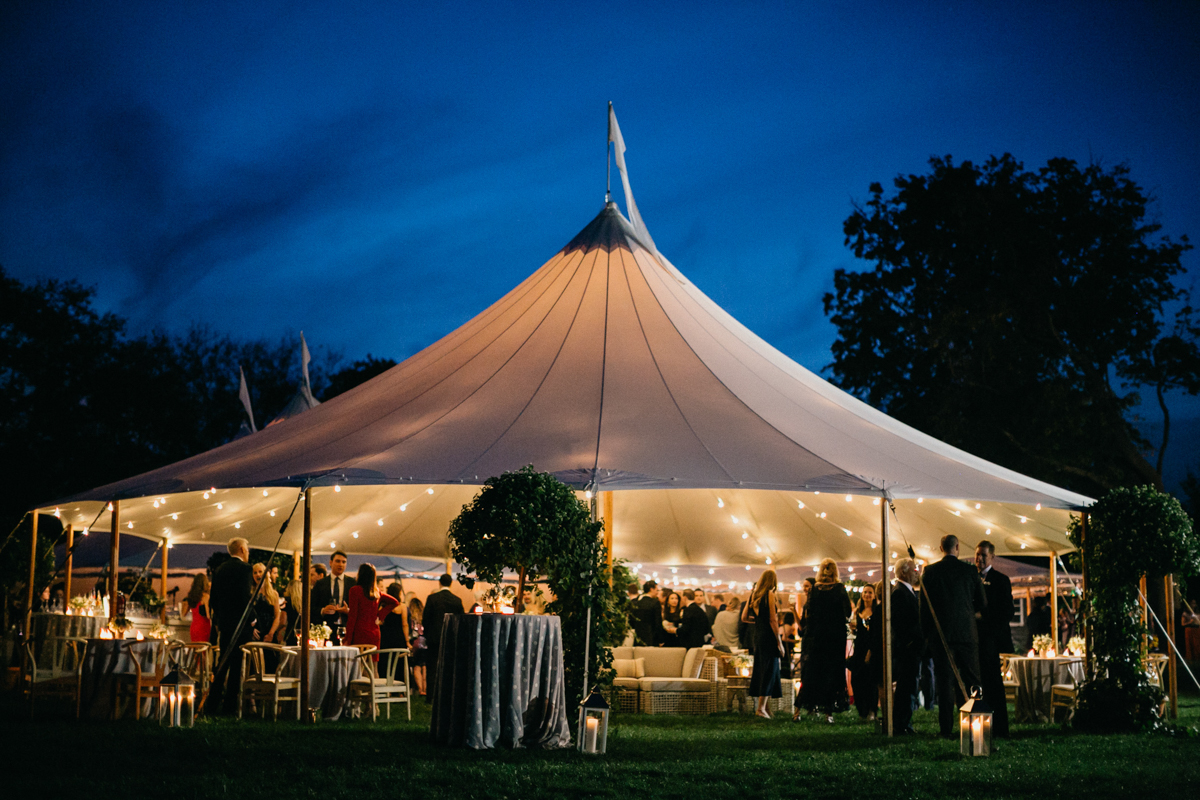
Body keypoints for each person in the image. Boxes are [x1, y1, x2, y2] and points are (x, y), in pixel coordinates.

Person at [921, 534, 986, 737]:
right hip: (967, 633)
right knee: (973, 680)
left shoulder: (930, 572)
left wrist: (928, 635)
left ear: (941, 548)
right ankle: (976, 727)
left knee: (944, 682)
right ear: (957, 547)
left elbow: (923, 609)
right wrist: (968, 612)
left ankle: (946, 729)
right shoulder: (969, 571)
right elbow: (982, 603)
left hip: (942, 636)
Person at [796, 558, 852, 722]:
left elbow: (810, 614)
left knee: (812, 673)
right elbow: (847, 612)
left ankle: (798, 712)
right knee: (832, 674)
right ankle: (828, 714)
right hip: (834, 637)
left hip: (817, 636)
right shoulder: (839, 589)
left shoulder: (815, 589)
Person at [207, 537, 254, 715]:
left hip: (225, 624)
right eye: (247, 549)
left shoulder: (219, 569)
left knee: (222, 663)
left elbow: (213, 600)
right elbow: (244, 598)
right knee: (236, 667)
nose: (248, 553)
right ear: (242, 549)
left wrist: (220, 620)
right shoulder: (245, 569)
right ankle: (229, 708)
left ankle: (212, 704)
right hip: (240, 625)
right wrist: (252, 619)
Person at [975, 540, 1014, 737]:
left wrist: (984, 616)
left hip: (992, 640)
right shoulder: (971, 577)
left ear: (991, 557)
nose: (979, 559)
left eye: (983, 555)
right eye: (977, 555)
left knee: (993, 684)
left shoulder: (1001, 580)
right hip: (975, 640)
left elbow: (1007, 611)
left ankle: (999, 727)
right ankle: (978, 725)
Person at [742, 569, 784, 718]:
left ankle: (766, 708)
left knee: (762, 669)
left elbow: (744, 617)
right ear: (773, 581)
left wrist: (759, 621)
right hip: (768, 637)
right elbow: (773, 619)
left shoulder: (754, 595)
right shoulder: (770, 594)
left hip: (757, 636)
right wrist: (779, 642)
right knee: (769, 671)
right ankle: (760, 709)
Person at [891, 559, 925, 735]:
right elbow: (900, 622)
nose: (917, 572)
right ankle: (902, 724)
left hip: (912, 648)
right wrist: (912, 640)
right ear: (904, 572)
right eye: (914, 569)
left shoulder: (908, 591)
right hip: (907, 649)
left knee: (910, 686)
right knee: (906, 687)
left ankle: (904, 722)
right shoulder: (899, 593)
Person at [423, 574, 465, 696]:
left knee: (432, 667)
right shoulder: (457, 600)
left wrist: (427, 634)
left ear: (439, 583)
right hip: (451, 638)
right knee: (449, 666)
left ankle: (431, 695)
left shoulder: (432, 598)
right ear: (451, 583)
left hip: (434, 637)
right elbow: (461, 620)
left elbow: (426, 618)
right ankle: (447, 693)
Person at [345, 563, 399, 654]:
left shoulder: (355, 590)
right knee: (373, 664)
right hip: (374, 632)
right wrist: (380, 615)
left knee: (360, 664)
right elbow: (395, 602)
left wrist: (347, 639)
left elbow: (352, 616)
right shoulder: (376, 592)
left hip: (360, 632)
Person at [848, 583, 880, 720]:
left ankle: (872, 710)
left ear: (874, 595)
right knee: (856, 680)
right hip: (859, 649)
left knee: (870, 682)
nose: (867, 595)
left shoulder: (877, 611)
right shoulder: (857, 612)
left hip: (871, 648)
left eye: (870, 592)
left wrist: (871, 651)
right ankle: (861, 710)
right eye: (865, 592)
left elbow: (876, 633)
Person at [311, 551, 356, 642]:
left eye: (343, 562)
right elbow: (311, 607)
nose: (341, 564)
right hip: (326, 629)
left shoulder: (352, 583)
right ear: (330, 563)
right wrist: (323, 610)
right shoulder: (321, 583)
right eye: (338, 561)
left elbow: (359, 608)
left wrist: (348, 611)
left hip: (346, 627)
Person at [407, 595, 428, 696]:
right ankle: (426, 688)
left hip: (415, 643)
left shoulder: (411, 618)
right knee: (425, 666)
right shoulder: (424, 617)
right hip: (425, 643)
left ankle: (420, 689)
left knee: (416, 667)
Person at [380, 580, 410, 651]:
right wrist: (407, 641)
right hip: (398, 637)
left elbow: (381, 621)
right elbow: (404, 624)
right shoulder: (402, 607)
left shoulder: (383, 606)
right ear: (398, 593)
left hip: (385, 637)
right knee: (398, 659)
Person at [631, 581, 663, 646]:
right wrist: (661, 639)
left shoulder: (635, 602)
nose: (657, 592)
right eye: (657, 590)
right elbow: (658, 622)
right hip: (651, 637)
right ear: (651, 589)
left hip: (637, 636)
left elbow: (632, 621)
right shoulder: (655, 603)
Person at [182, 574, 211, 644]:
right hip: (204, 627)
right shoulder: (205, 597)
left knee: (195, 649)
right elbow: (208, 615)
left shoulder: (191, 596)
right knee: (203, 649)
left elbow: (183, 614)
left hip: (194, 626)